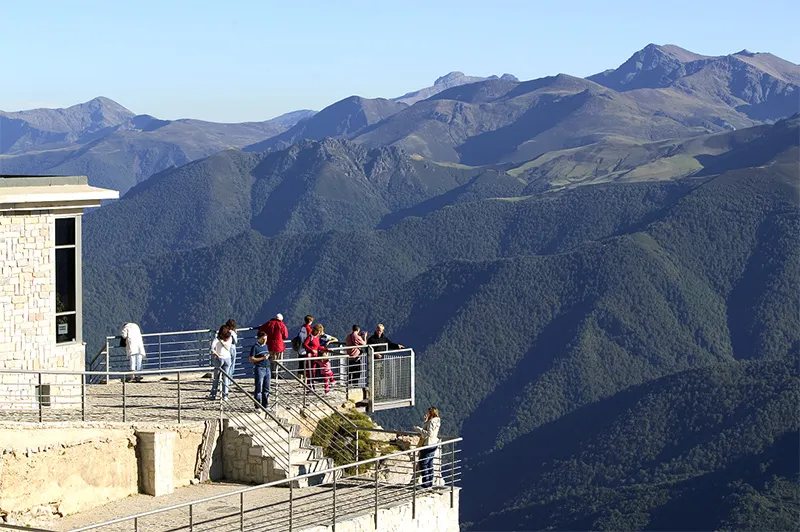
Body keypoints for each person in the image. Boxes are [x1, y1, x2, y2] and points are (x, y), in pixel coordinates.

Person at [414, 407, 441, 489]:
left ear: (431, 413)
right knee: (430, 464)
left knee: (423, 463)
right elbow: (429, 429)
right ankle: (429, 482)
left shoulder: (431, 422)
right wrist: (425, 421)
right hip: (434, 444)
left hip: (428, 445)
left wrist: (418, 429)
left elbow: (429, 433)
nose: (427, 413)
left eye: (428, 412)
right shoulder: (437, 420)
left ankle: (426, 483)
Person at [303, 323, 332, 391]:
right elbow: (305, 344)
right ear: (316, 330)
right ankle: (310, 387)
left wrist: (327, 350)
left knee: (313, 372)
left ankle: (312, 386)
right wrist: (311, 350)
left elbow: (318, 347)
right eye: (319, 331)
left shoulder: (316, 338)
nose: (320, 333)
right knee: (310, 372)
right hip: (310, 356)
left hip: (315, 356)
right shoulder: (310, 337)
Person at [208, 325, 233, 400]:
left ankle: (213, 394)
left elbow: (212, 349)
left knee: (216, 378)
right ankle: (225, 395)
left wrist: (216, 354)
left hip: (219, 358)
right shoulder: (230, 338)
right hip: (228, 359)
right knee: (225, 378)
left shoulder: (217, 339)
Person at [249, 330, 271, 411]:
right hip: (259, 368)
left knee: (266, 388)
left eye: (266, 339)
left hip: (267, 368)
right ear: (259, 338)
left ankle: (265, 405)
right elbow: (251, 359)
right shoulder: (255, 347)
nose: (265, 341)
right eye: (263, 339)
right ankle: (257, 406)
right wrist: (262, 358)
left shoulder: (266, 346)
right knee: (259, 388)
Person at [296, 315, 314, 382]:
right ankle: (305, 381)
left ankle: (299, 380)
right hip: (305, 350)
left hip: (300, 349)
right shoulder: (308, 329)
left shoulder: (302, 327)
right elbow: (310, 339)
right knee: (305, 366)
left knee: (300, 365)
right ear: (310, 321)